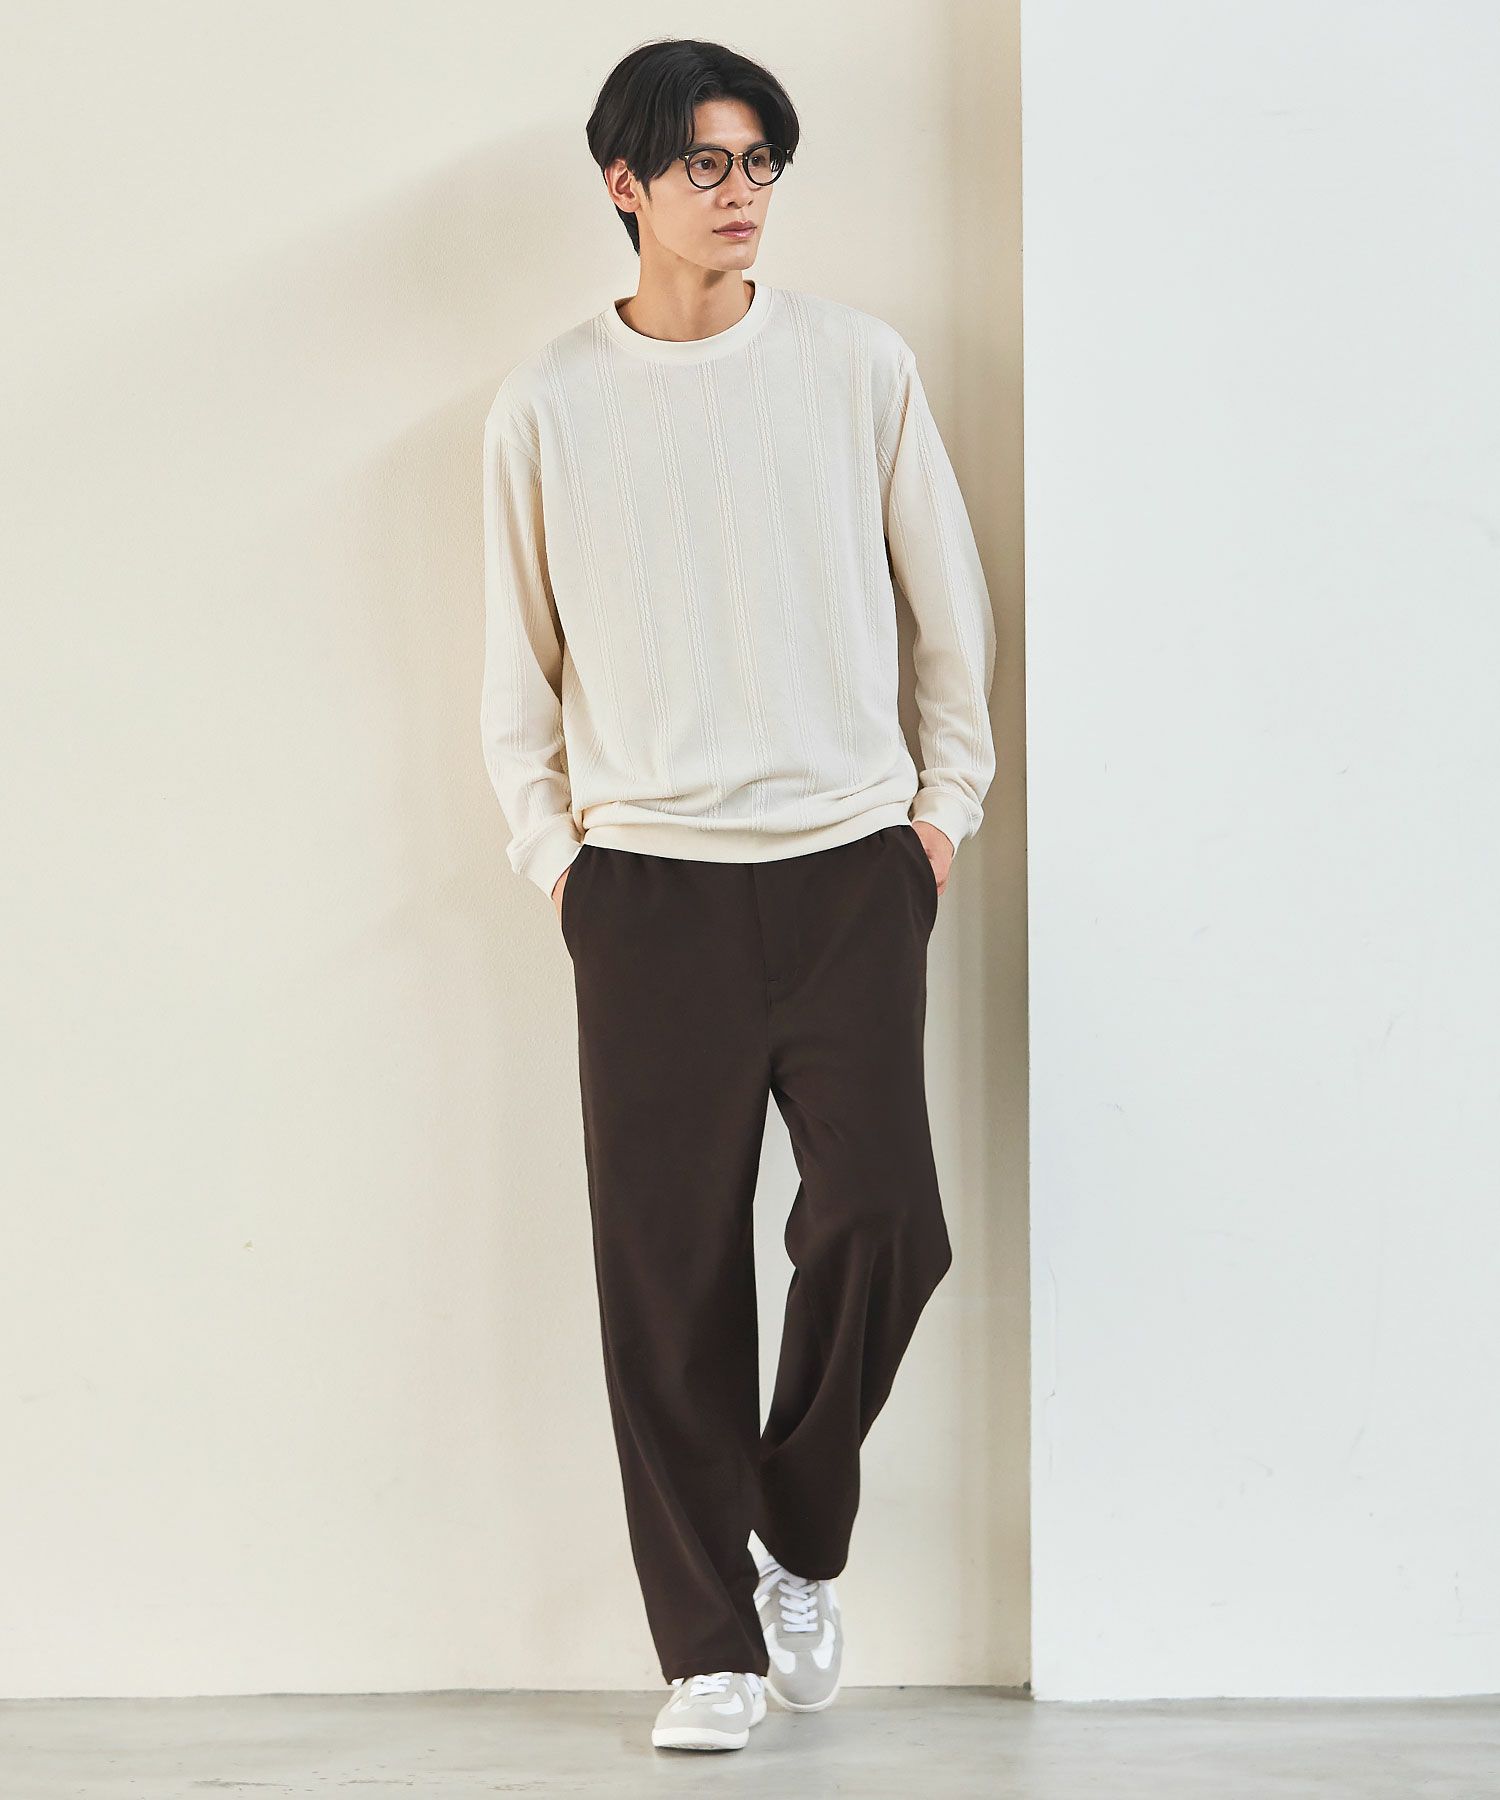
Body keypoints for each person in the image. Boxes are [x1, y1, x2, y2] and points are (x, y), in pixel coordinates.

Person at [480, 36, 996, 1754]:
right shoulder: (548, 402)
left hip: (850, 870)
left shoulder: (856, 366)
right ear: (624, 185)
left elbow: (947, 613)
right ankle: (707, 1648)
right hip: (647, 893)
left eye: (761, 160)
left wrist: (937, 818)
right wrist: (560, 863)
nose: (742, 190)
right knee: (666, 1274)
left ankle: (795, 1529)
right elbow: (516, 669)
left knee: (886, 1217)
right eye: (706, 163)